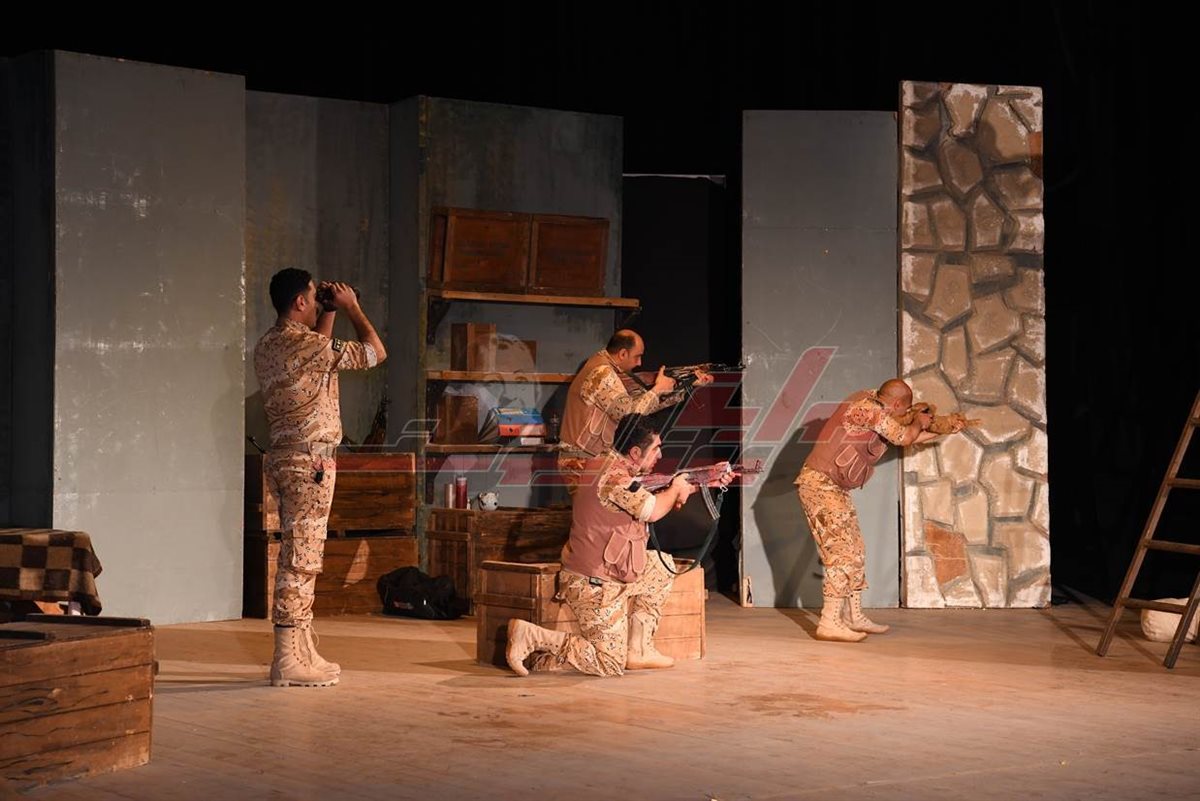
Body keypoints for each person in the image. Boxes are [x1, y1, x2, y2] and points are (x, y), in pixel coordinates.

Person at [506, 413, 731, 676]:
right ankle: (533, 637)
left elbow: (653, 493)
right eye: (655, 449)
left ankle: (639, 650)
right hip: (594, 583)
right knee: (609, 663)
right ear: (635, 452)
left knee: (660, 567)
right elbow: (651, 510)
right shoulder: (613, 477)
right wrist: (675, 489)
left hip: (616, 570)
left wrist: (702, 481)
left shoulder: (611, 466)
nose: (660, 455)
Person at [253, 268, 387, 686]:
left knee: (301, 553)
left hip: (286, 458)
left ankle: (301, 649)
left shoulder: (269, 344)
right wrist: (352, 308)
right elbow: (375, 353)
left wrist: (327, 311)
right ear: (299, 302)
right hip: (310, 463)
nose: (317, 304)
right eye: (314, 298)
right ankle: (287, 659)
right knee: (302, 559)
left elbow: (320, 353)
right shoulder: (307, 346)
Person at [796, 378, 969, 642]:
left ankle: (853, 616)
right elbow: (905, 436)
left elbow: (909, 436)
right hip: (819, 485)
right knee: (842, 554)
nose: (906, 413)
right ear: (897, 403)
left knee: (856, 550)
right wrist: (918, 421)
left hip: (833, 488)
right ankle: (829, 622)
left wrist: (946, 429)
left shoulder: (877, 404)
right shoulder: (867, 408)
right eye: (905, 409)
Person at [557, 329, 710, 492]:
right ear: (623, 353)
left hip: (586, 460)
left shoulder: (604, 367)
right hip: (582, 461)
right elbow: (630, 414)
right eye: (637, 356)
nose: (639, 363)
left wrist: (686, 386)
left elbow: (640, 404)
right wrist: (658, 389)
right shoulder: (602, 372)